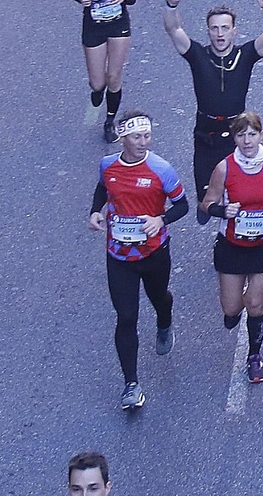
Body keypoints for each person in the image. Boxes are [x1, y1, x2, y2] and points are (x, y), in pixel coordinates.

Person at [88, 112, 189, 410]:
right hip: (119, 256)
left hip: (154, 253)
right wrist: (96, 211)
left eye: (147, 136)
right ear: (123, 138)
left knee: (159, 297)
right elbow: (102, 189)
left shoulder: (161, 169)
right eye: (136, 137)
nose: (143, 142)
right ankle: (131, 384)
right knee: (127, 316)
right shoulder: (108, 165)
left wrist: (160, 219)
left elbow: (182, 205)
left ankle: (165, 321)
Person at [162, 0, 263, 217]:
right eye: (214, 28)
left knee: (239, 197)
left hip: (237, 132)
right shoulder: (197, 54)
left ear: (233, 31)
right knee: (206, 201)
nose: (219, 33)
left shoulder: (245, 55)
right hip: (206, 134)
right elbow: (174, 30)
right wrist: (171, 5)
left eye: (225, 28)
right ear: (208, 31)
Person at [200, 111, 263, 386]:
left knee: (255, 303)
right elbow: (206, 204)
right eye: (241, 135)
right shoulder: (224, 168)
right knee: (231, 309)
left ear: (261, 135)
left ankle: (254, 355)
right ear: (234, 138)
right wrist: (222, 210)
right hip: (232, 246)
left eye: (252, 134)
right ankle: (234, 310)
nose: (247, 140)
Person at [69, 0, 136, 141]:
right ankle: (97, 92)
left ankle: (110, 121)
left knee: (114, 77)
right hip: (94, 25)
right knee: (98, 82)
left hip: (118, 24)